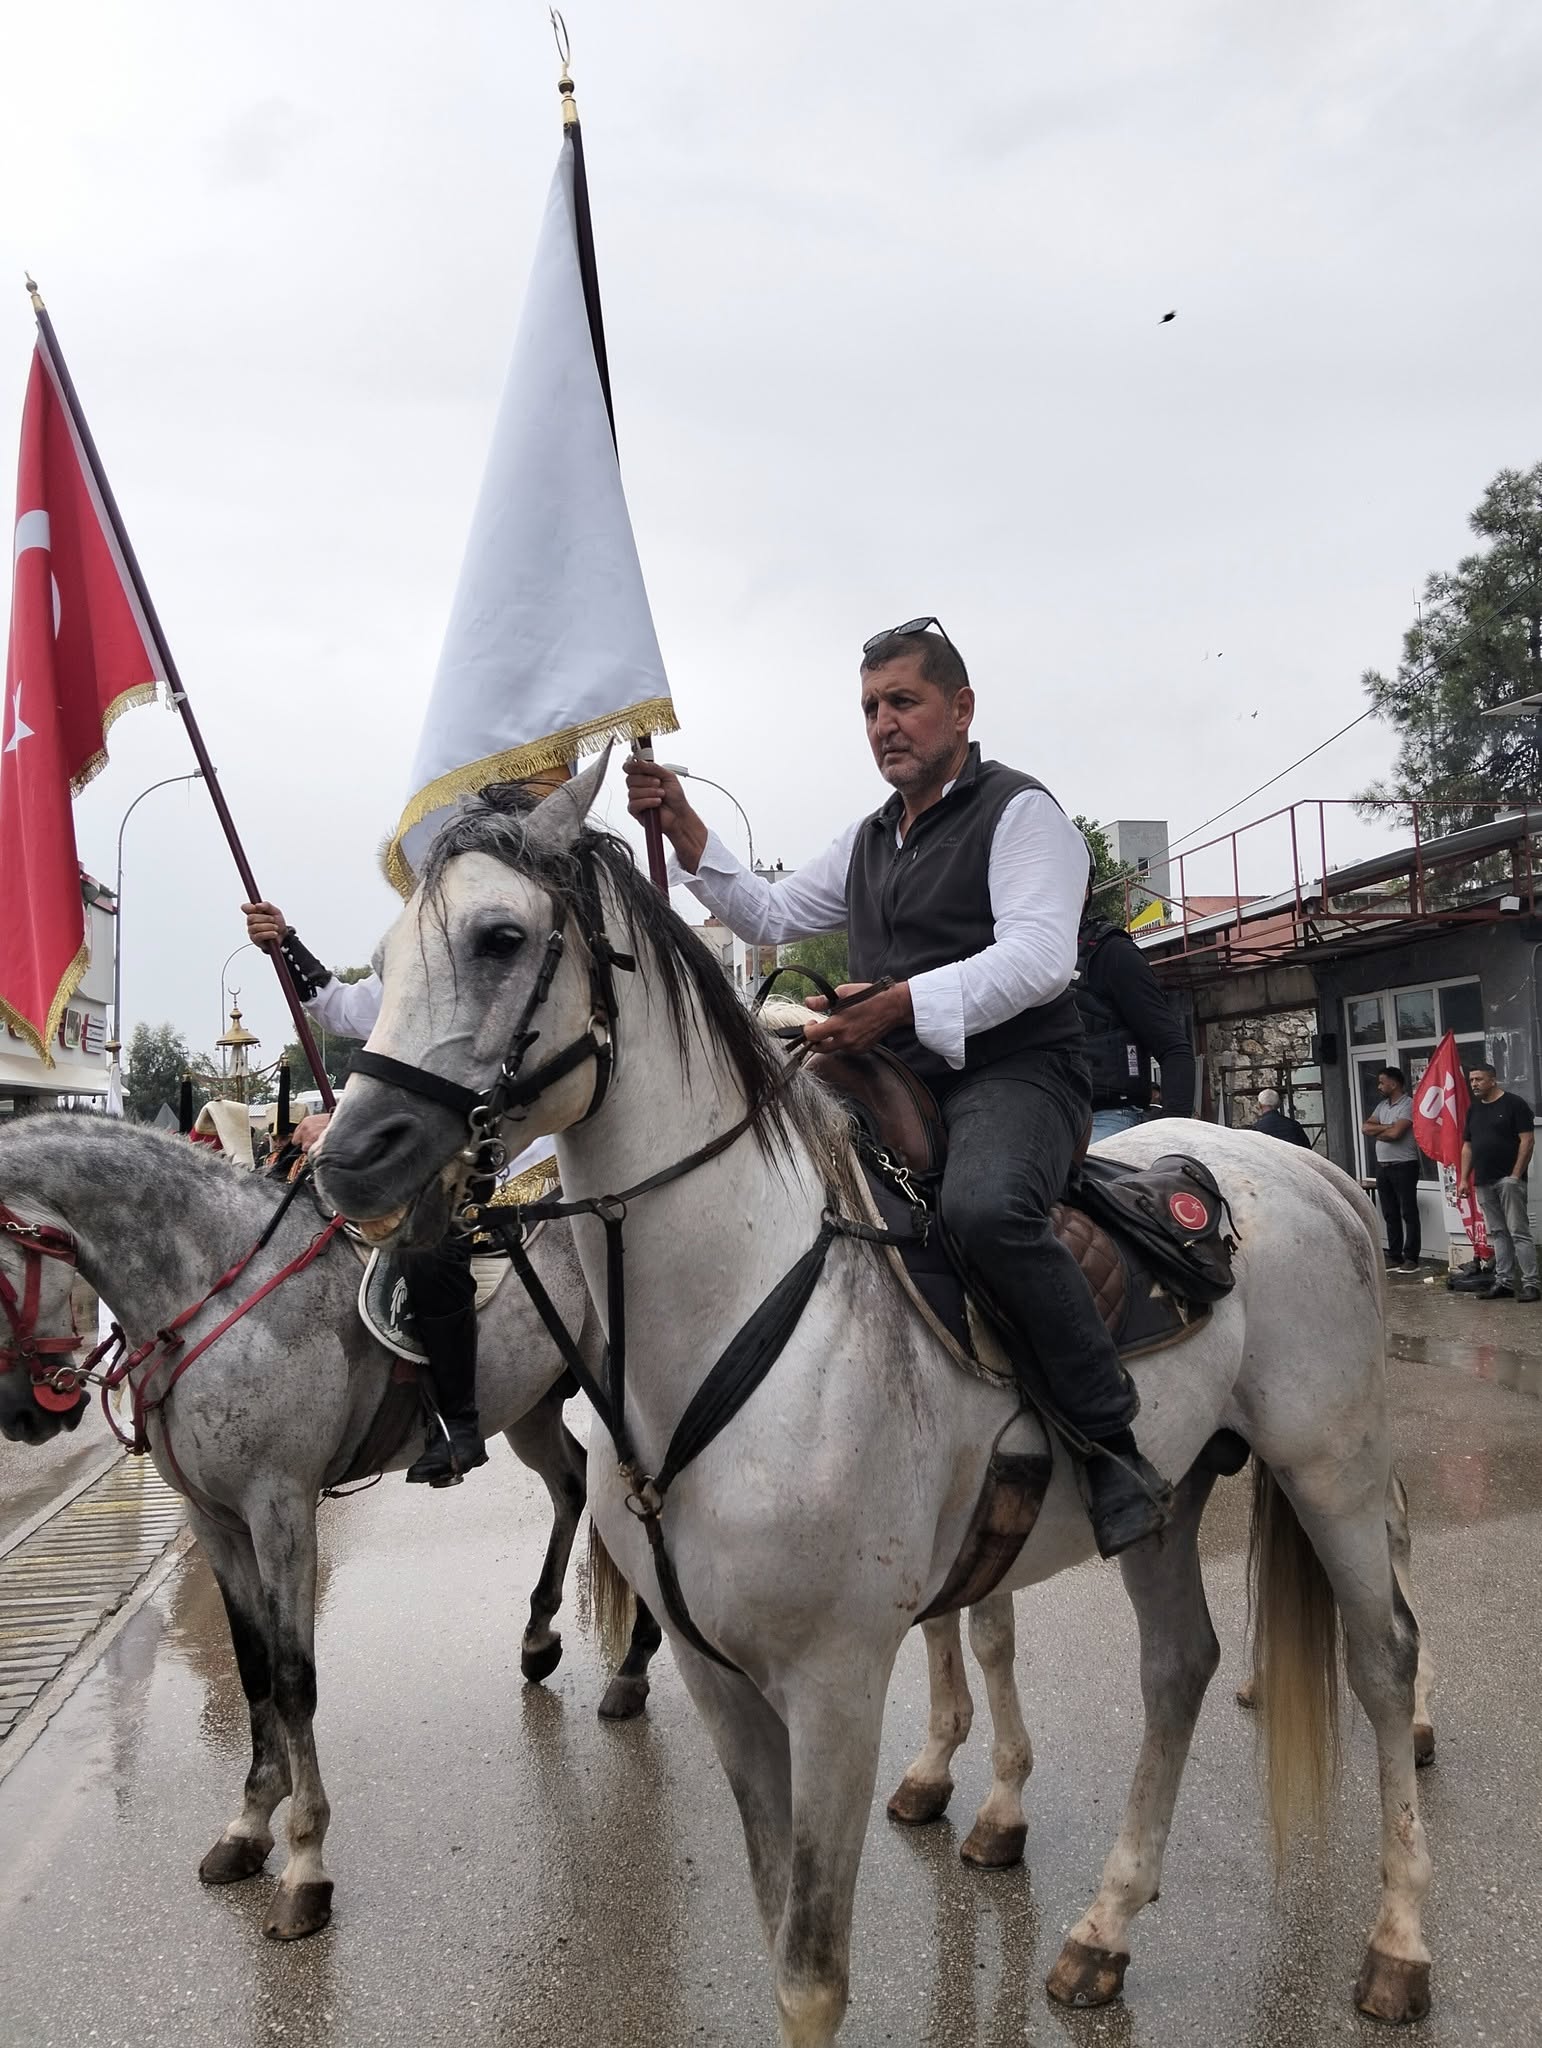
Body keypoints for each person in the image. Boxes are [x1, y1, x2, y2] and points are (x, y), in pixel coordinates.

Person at [624, 616, 1171, 1558]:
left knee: (985, 1210)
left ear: (961, 708)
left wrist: (898, 1004)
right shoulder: (869, 837)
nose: (884, 724)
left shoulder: (1021, 814)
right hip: (893, 1074)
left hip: (1016, 1072)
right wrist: (685, 828)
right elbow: (769, 913)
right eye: (871, 708)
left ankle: (1110, 1441)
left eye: (904, 702)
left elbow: (1040, 959)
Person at [242, 901, 496, 1484]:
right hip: (410, 1155)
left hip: (482, 1155)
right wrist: (285, 942)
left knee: (425, 1249)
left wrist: (346, 1125)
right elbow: (339, 1006)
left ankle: (458, 1423)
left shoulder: (491, 975)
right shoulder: (412, 974)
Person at [1076, 882, 1197, 1140]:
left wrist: (1171, 1134)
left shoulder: (1112, 953)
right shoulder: (1018, 955)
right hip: (1040, 1115)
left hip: (1105, 1116)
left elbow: (1173, 1048)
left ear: (1084, 890)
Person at [1458, 1064, 1539, 1303]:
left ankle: (1531, 1284)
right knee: (1498, 1233)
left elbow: (1527, 1141)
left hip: (1508, 1180)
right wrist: (1463, 1179)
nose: (1474, 1084)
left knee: (1518, 1232)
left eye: (1479, 1079)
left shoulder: (1514, 1104)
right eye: (1471, 1080)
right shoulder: (1474, 1110)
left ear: (1493, 1080)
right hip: (1483, 1180)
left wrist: (1515, 1176)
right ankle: (1504, 1283)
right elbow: (1468, 1146)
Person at [1362, 1066, 1421, 1273]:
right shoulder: (1382, 1106)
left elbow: (1397, 1134)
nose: (1379, 1086)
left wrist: (1383, 1130)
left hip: (1404, 1165)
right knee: (1390, 1212)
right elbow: (1366, 1127)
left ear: (1394, 1084)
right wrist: (1388, 1127)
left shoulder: (1408, 1105)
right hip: (1383, 1166)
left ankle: (1411, 1257)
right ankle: (1394, 1255)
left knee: (1408, 1212)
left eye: (1382, 1082)